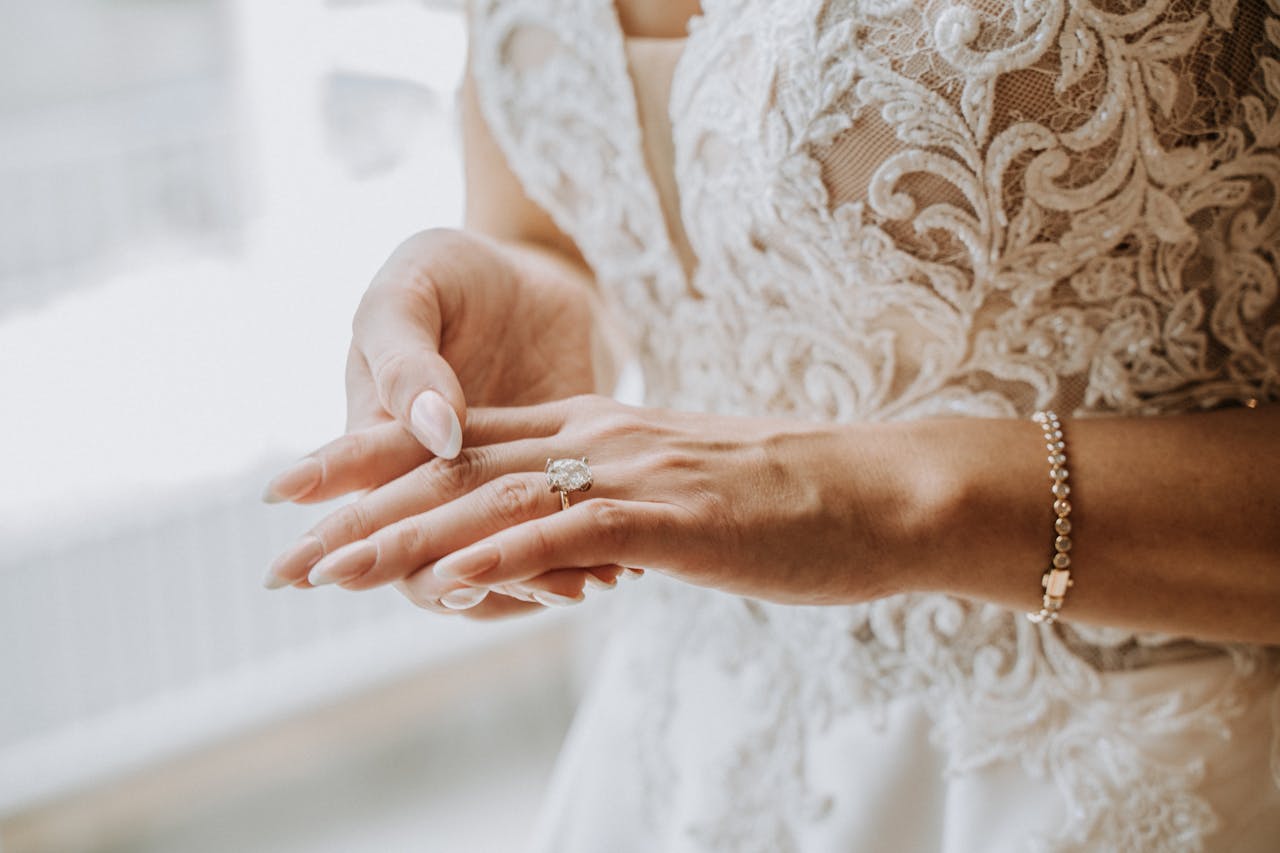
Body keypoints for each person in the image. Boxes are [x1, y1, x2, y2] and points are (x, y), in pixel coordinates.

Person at [264, 0, 1280, 849]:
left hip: (1124, 754)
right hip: (685, 740)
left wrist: (886, 498)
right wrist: (539, 288)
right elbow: (553, 217)